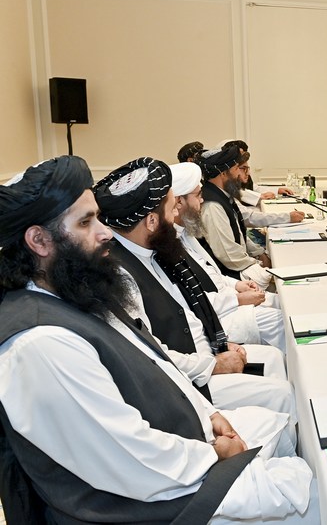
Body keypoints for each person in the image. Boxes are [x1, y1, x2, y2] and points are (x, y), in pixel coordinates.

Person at [0, 156, 316, 523]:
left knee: (279, 428)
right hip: (144, 501)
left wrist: (208, 414)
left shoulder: (74, 291)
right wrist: (214, 454)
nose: (106, 233)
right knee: (305, 490)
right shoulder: (38, 342)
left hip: (175, 450)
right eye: (86, 222)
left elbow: (155, 359)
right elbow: (125, 457)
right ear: (39, 240)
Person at [93, 158, 297, 419]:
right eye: (171, 208)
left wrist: (219, 343)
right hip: (186, 383)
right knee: (282, 395)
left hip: (204, 352)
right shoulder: (121, 273)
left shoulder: (150, 251)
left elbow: (185, 311)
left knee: (274, 360)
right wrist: (212, 364)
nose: (175, 215)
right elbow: (148, 353)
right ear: (152, 221)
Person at [171, 161, 288, 351]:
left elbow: (208, 271)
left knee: (286, 300)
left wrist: (236, 286)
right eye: (198, 195)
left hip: (226, 296)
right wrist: (238, 298)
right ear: (178, 201)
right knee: (285, 321)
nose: (202, 200)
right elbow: (187, 300)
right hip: (218, 317)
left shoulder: (184, 232)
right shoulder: (168, 243)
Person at [196, 147, 274, 288]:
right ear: (223, 173)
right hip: (229, 278)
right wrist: (257, 264)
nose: (240, 173)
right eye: (237, 168)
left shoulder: (223, 195)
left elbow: (238, 233)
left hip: (239, 267)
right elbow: (228, 254)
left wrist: (259, 253)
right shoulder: (212, 205)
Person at [219, 139, 304, 227]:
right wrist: (286, 217)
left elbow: (252, 188)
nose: (248, 173)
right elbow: (247, 217)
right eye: (241, 167)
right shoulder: (222, 191)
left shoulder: (229, 184)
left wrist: (276, 190)